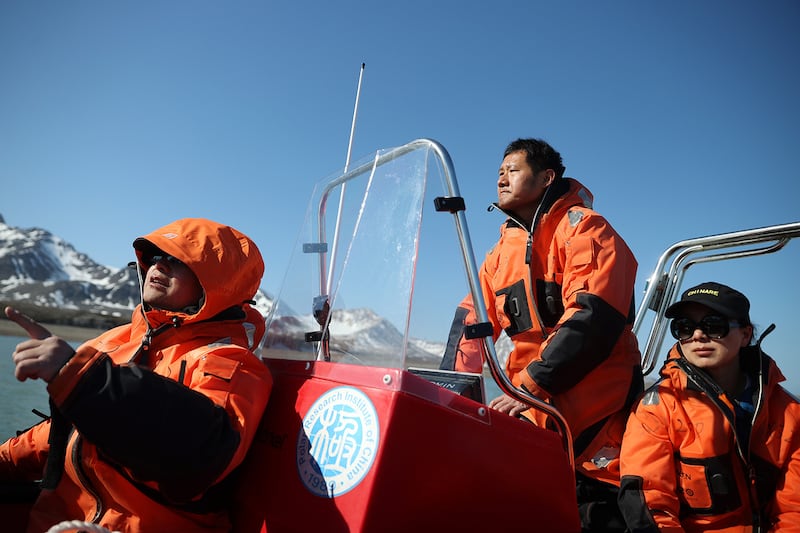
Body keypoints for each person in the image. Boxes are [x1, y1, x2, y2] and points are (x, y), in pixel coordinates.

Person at [0, 218, 273, 533]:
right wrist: (5, 459)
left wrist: (83, 381)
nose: (160, 265)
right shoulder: (115, 341)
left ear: (218, 284)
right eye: (156, 257)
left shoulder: (229, 362)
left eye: (177, 260)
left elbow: (199, 454)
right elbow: (64, 431)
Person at [439, 138, 643, 531]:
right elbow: (471, 322)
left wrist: (528, 387)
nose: (501, 177)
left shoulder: (587, 230)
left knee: (599, 518)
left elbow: (592, 319)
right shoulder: (500, 254)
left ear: (547, 177)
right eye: (499, 171)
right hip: (534, 419)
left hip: (598, 426)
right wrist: (451, 392)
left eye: (513, 170)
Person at [618, 281, 800, 531]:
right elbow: (651, 503)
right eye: (684, 327)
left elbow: (794, 508)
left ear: (746, 335)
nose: (698, 335)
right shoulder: (656, 408)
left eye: (714, 325)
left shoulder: (790, 412)